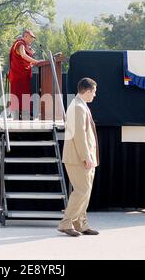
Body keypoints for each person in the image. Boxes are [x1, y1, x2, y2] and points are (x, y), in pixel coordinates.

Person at [58, 78, 100, 237]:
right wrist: (86, 156)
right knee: (82, 190)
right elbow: (79, 135)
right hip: (78, 157)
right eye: (94, 92)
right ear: (87, 91)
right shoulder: (77, 107)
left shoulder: (81, 105)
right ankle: (66, 223)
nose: (95, 95)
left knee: (86, 191)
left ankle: (80, 224)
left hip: (84, 157)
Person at [7, 30, 40, 120]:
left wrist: (32, 63)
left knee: (24, 95)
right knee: (18, 94)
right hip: (18, 75)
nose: (32, 40)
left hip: (23, 75)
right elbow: (23, 55)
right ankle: (17, 116)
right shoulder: (20, 44)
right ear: (25, 36)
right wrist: (36, 61)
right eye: (31, 38)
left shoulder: (25, 45)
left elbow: (24, 61)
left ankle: (24, 115)